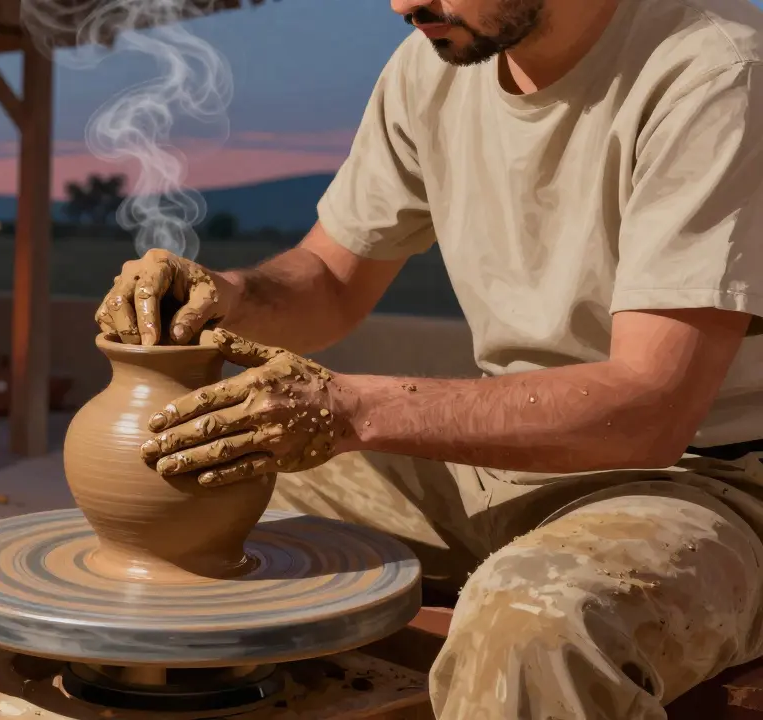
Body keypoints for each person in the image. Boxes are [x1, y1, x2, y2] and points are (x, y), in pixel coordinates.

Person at [94, 0, 763, 717]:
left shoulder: (715, 70)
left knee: (533, 626)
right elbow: (328, 281)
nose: (403, 3)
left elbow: (648, 409)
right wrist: (225, 293)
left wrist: (352, 410)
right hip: (500, 459)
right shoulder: (435, 61)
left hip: (705, 481)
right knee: (198, 492)